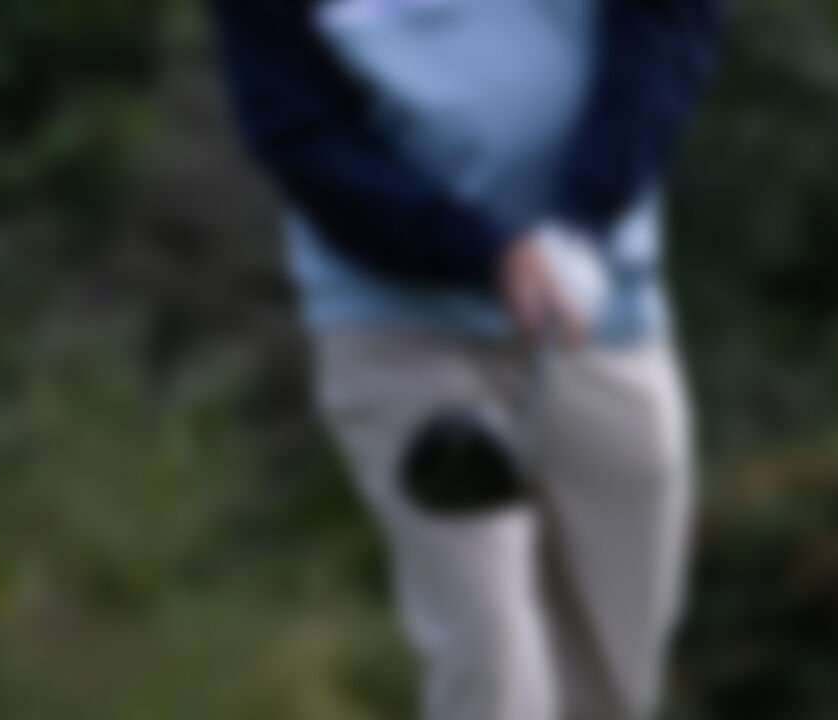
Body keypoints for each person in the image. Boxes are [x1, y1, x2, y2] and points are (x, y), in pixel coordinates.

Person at [206, 0, 724, 718]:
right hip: (398, 325)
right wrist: (486, 255)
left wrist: (583, 221)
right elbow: (296, 130)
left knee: (615, 683)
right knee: (491, 664)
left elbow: (670, 31)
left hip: (598, 318)